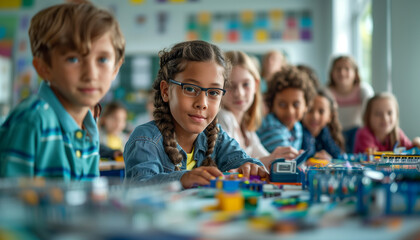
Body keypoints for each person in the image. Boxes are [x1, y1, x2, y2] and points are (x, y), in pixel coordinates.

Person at [0, 2, 125, 179]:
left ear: (115, 69)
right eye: (73, 59)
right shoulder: (33, 120)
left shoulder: (89, 125)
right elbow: (9, 202)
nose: (91, 74)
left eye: (102, 60)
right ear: (44, 67)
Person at [124, 41, 267, 189]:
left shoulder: (216, 136)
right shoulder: (145, 140)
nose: (202, 103)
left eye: (213, 92)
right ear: (166, 91)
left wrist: (251, 167)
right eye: (190, 89)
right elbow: (140, 187)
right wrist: (181, 179)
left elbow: (244, 161)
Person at [219, 51, 303, 170]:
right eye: (230, 86)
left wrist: (282, 158)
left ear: (256, 85)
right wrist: (271, 159)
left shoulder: (246, 127)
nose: (239, 93)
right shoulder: (223, 117)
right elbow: (230, 169)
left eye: (246, 84)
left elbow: (266, 157)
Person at [257, 65, 316, 153]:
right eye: (282, 104)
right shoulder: (271, 127)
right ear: (272, 105)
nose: (290, 111)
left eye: (296, 104)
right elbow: (286, 160)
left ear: (306, 105)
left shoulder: (297, 127)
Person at [326, 55, 374, 153]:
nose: (342, 72)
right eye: (338, 69)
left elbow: (370, 115)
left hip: (358, 132)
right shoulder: (327, 91)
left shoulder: (363, 90)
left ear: (355, 73)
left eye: (347, 69)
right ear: (332, 73)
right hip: (334, 132)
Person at [354, 92, 420, 153]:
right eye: (378, 113)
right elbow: (374, 158)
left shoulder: (397, 133)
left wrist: (416, 142)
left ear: (396, 115)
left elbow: (411, 150)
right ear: (368, 116)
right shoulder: (364, 134)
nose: (385, 118)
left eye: (389, 113)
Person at [301, 89, 345, 159]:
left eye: (321, 111)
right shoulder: (299, 132)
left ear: (330, 116)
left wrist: (329, 158)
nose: (315, 116)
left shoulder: (325, 132)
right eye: (310, 110)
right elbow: (305, 157)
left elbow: (338, 155)